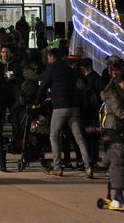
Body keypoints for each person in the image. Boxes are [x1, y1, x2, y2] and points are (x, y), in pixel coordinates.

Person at [36, 47, 93, 178]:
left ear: (51, 57)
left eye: (48, 57)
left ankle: (57, 167)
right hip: (74, 105)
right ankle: (88, 167)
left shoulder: (51, 70)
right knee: (79, 137)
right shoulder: (69, 69)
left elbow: (43, 86)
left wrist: (38, 100)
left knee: (54, 135)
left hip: (60, 106)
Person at [102, 130, 124, 217]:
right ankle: (115, 202)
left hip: (116, 174)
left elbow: (105, 162)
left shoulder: (111, 151)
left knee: (118, 192)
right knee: (120, 189)